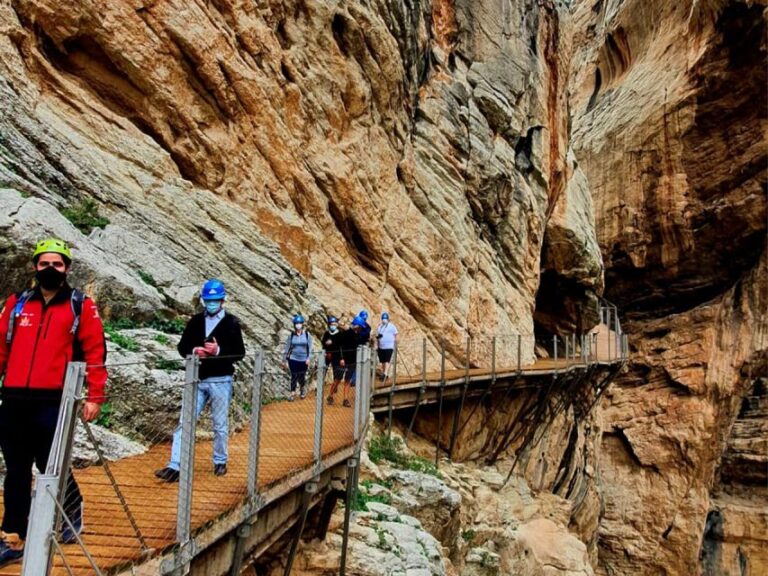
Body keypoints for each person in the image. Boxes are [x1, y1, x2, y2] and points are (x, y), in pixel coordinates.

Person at [0, 238, 107, 565]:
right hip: (15, 396)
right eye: (44, 263)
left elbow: (95, 352)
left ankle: (72, 506)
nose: (50, 269)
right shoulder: (17, 303)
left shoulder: (81, 305)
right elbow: (1, 347)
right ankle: (14, 537)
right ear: (35, 266)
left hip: (53, 398)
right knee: (16, 468)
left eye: (57, 264)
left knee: (50, 464)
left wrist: (95, 396)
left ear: (67, 268)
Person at [155, 279, 245, 482]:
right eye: (208, 300)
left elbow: (239, 353)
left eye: (215, 300)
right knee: (184, 422)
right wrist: (195, 350)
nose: (211, 303)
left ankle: (220, 460)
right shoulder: (196, 322)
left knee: (220, 424)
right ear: (203, 300)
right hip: (196, 378)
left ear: (222, 300)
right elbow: (182, 346)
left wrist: (218, 351)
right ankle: (175, 465)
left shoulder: (232, 323)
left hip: (221, 379)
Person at [321, 316, 358, 407]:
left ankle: (345, 399)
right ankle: (330, 395)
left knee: (348, 380)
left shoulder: (353, 333)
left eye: (344, 324)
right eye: (341, 324)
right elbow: (339, 347)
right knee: (337, 379)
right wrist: (341, 358)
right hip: (341, 359)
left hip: (351, 360)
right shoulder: (341, 334)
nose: (343, 325)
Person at [281, 314, 312, 400]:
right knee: (294, 375)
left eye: (299, 323)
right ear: (294, 325)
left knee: (301, 376)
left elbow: (310, 347)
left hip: (303, 359)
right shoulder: (291, 335)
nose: (298, 325)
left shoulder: (307, 335)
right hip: (293, 358)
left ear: (302, 324)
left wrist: (308, 358)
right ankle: (292, 393)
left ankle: (302, 389)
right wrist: (284, 360)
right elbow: (287, 348)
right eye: (296, 323)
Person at [375, 312, 398, 382]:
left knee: (387, 360)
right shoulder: (380, 327)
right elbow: (377, 336)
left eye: (385, 319)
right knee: (382, 361)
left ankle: (385, 373)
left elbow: (396, 334)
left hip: (389, 346)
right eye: (383, 319)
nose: (384, 320)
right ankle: (384, 373)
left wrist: (395, 343)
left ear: (388, 319)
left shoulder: (392, 326)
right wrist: (377, 345)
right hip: (381, 347)